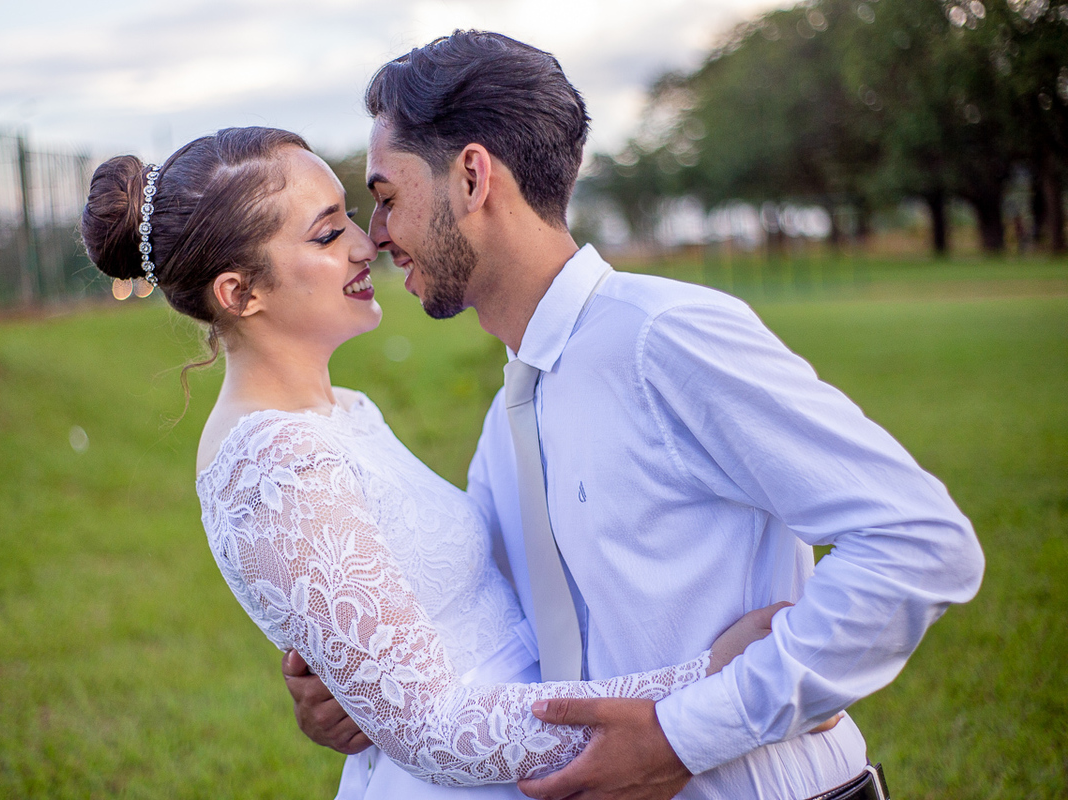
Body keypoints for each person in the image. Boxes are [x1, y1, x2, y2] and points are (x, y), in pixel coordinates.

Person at [287, 30, 986, 800]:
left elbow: (921, 540)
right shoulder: (510, 413)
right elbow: (495, 634)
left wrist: (684, 735)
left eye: (386, 198)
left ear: (473, 177)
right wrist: (361, 690)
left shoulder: (665, 339)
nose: (375, 235)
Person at [79, 127, 807, 800]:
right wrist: (710, 681)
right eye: (329, 235)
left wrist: (348, 690)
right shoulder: (277, 466)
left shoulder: (341, 413)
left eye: (352, 217)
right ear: (241, 293)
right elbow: (435, 728)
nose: (369, 245)